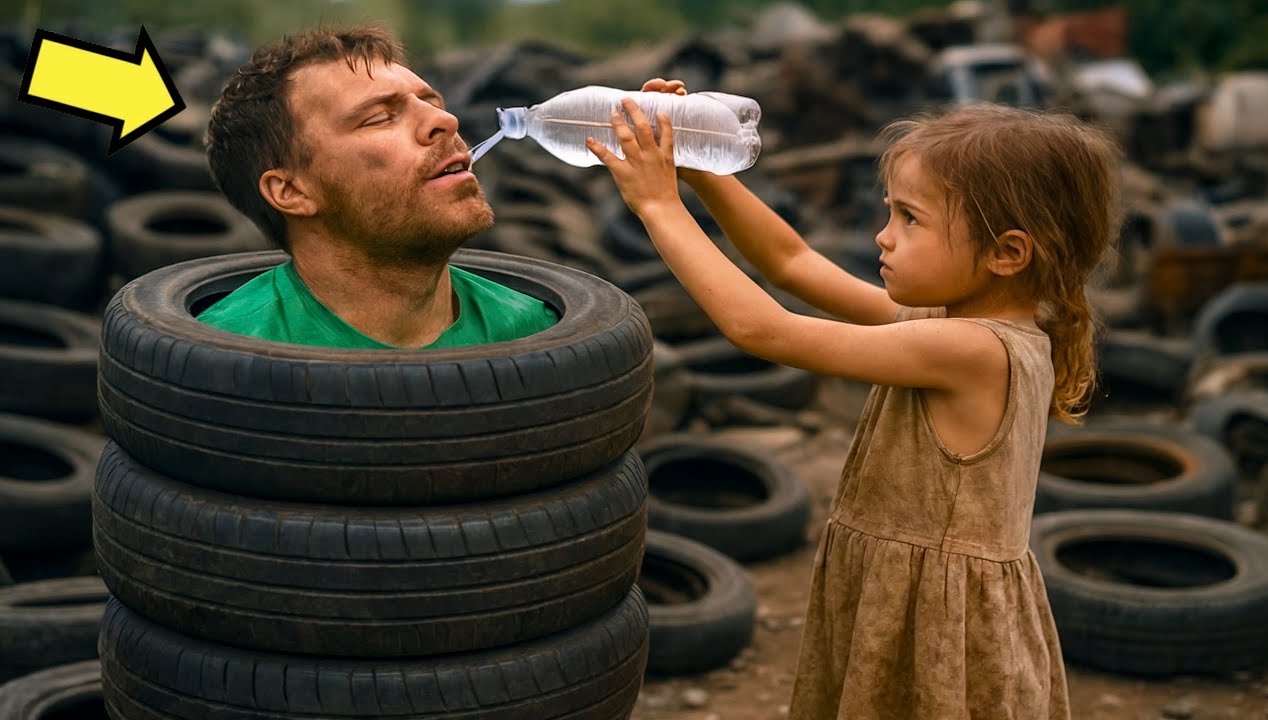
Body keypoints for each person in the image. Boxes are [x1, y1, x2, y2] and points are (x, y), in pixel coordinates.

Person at [587, 80, 1121, 719]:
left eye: (910, 219)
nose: (883, 237)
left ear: (1007, 253)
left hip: (936, 619)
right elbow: (791, 262)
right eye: (890, 211)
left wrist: (657, 205)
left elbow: (763, 329)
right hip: (895, 594)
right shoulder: (945, 321)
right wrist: (700, 169)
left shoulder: (975, 352)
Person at [199, 24, 558, 348]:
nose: (446, 120)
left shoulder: (538, 331)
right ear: (291, 192)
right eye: (380, 117)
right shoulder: (218, 353)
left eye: (433, 103)